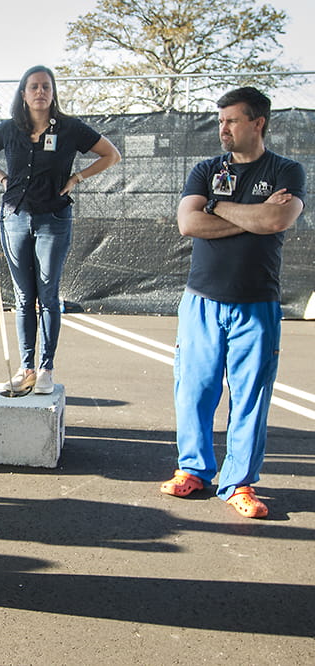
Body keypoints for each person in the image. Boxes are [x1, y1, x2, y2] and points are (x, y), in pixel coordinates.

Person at [160, 87, 305, 519]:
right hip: (201, 301)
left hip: (257, 303)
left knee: (250, 397)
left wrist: (219, 210)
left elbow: (278, 219)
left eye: (232, 120)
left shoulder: (287, 170)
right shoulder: (206, 170)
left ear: (258, 123)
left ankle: (238, 483)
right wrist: (249, 214)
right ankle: (193, 470)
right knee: (194, 391)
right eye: (220, 120)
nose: (222, 128)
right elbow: (188, 222)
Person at [0, 65, 120, 394]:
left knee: (48, 295)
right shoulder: (9, 129)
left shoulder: (70, 129)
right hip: (14, 217)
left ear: (53, 92)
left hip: (53, 220)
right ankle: (25, 368)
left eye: (46, 86)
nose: (40, 92)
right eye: (33, 87)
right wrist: (3, 179)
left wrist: (76, 178)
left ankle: (46, 369)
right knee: (24, 297)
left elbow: (111, 155)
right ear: (23, 94)